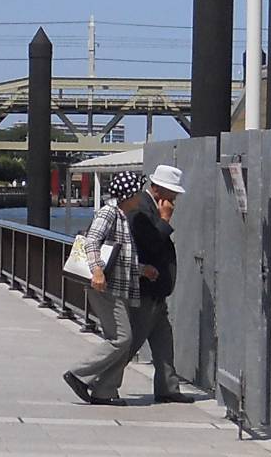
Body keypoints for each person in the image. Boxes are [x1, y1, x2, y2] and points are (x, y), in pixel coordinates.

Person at [63, 172, 157, 406]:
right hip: (105, 286)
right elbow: (92, 241)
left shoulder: (122, 216)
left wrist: (142, 269)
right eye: (137, 192)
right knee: (122, 338)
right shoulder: (109, 213)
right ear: (129, 195)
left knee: (123, 339)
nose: (140, 197)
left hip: (117, 285)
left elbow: (120, 256)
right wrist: (96, 271)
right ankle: (79, 374)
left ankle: (105, 390)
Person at [125, 164, 193, 404]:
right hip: (146, 287)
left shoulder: (147, 206)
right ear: (158, 189)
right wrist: (165, 220)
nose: (175, 198)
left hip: (157, 289)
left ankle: (167, 387)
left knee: (163, 339)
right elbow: (151, 244)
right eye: (172, 192)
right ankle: (97, 379)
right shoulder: (141, 210)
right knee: (131, 341)